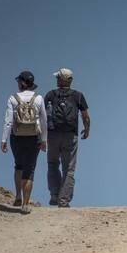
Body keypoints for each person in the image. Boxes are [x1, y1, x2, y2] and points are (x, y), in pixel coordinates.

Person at [1, 70, 47, 214]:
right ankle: (26, 204)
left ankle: (18, 196)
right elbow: (44, 120)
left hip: (17, 137)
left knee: (18, 165)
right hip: (34, 137)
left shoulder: (13, 98)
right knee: (30, 169)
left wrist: (4, 139)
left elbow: (8, 121)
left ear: (22, 83)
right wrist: (44, 140)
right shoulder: (39, 98)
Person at [45, 67, 91, 207]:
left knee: (52, 164)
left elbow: (42, 116)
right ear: (70, 80)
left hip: (52, 135)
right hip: (70, 136)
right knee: (69, 169)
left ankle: (54, 194)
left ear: (60, 79)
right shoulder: (78, 95)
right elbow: (85, 116)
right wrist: (87, 129)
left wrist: (41, 136)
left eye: (57, 77)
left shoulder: (50, 95)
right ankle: (63, 200)